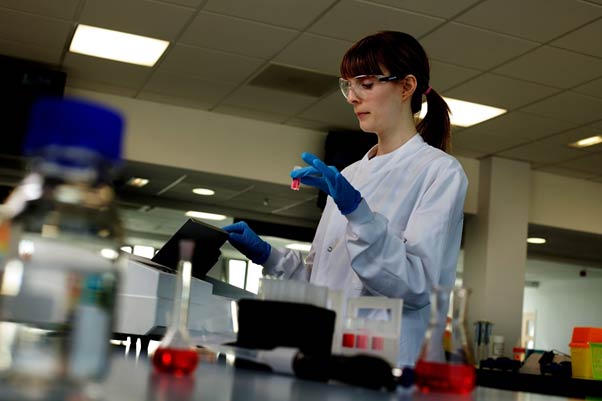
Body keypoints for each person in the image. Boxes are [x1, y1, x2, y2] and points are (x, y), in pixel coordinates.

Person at [223, 31, 468, 367]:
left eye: (365, 84)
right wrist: (270, 258)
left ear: (407, 87)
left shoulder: (440, 172)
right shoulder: (351, 174)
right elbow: (322, 282)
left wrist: (359, 215)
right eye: (348, 85)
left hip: (388, 365)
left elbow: (416, 285)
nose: (352, 97)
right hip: (326, 354)